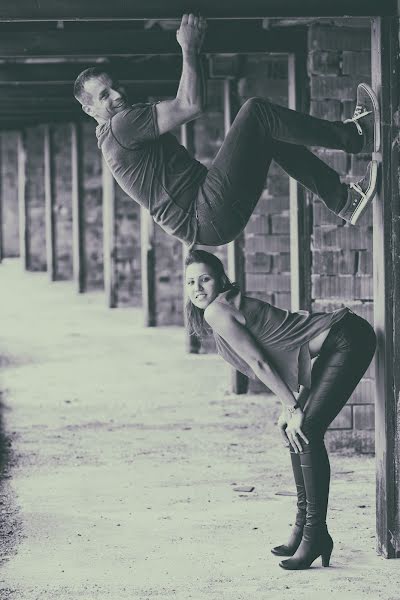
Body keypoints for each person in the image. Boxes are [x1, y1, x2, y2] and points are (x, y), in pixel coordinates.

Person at [73, 14, 381, 249]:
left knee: (267, 132)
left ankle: (343, 200)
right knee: (256, 112)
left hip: (210, 222)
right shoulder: (120, 127)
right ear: (90, 111)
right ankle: (356, 136)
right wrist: (189, 48)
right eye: (104, 96)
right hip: (205, 212)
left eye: (114, 87)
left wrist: (195, 52)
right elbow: (190, 105)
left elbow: (189, 103)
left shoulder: (115, 136)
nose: (116, 96)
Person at [184, 249, 376, 570]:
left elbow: (260, 362)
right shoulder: (224, 308)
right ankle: (303, 527)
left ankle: (315, 534)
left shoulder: (217, 311)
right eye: (190, 282)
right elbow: (290, 353)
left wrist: (291, 404)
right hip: (336, 342)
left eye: (205, 279)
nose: (198, 288)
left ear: (219, 279)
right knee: (295, 431)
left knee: (307, 430)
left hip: (348, 337)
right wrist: (289, 405)